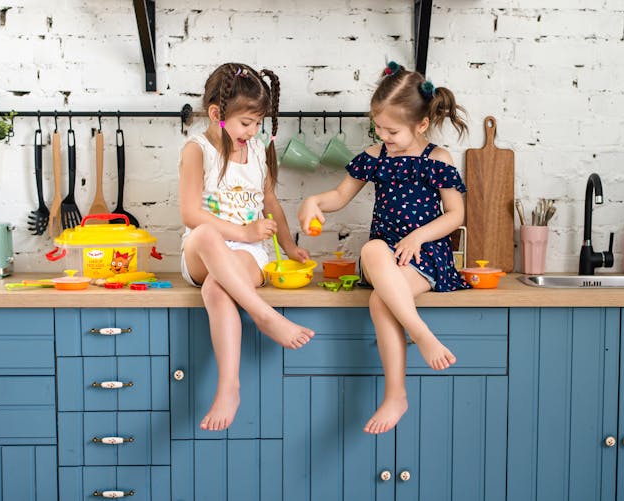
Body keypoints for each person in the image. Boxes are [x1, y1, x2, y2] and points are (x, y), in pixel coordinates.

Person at [298, 61, 471, 434]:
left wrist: (417, 237)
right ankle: (420, 335)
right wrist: (313, 202)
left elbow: (455, 215)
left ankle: (396, 394)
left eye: (392, 130)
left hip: (423, 257)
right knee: (373, 248)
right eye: (378, 127)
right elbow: (339, 196)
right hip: (384, 257)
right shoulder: (376, 157)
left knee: (380, 300)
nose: (383, 135)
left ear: (421, 124)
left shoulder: (437, 160)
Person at [179, 62, 314, 432]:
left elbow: (270, 203)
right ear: (216, 114)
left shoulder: (256, 150)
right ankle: (265, 316)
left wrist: (287, 246)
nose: (252, 131)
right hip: (204, 252)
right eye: (245, 123)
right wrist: (243, 232)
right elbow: (191, 213)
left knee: (217, 287)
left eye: (258, 123)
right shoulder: (198, 150)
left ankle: (229, 387)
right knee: (205, 234)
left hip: (247, 255)